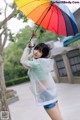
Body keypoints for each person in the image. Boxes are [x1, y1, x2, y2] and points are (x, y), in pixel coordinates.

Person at [20, 35, 63, 120]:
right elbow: (33, 55)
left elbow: (23, 61)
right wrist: (32, 40)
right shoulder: (42, 62)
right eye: (36, 49)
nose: (36, 52)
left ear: (43, 54)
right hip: (52, 96)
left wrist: (27, 48)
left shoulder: (36, 64)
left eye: (40, 51)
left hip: (47, 98)